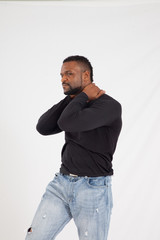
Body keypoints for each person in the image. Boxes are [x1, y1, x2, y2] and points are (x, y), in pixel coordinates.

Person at [25, 55, 122, 240]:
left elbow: (68, 122)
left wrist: (82, 96)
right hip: (61, 184)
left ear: (86, 76)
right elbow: (43, 127)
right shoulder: (74, 104)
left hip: (93, 188)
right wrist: (75, 97)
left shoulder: (109, 106)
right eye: (61, 75)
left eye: (69, 74)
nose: (63, 79)